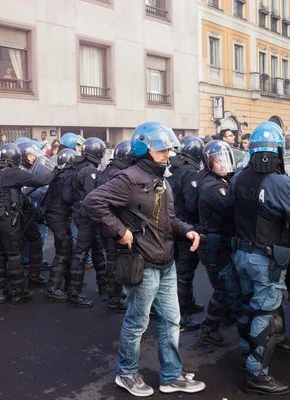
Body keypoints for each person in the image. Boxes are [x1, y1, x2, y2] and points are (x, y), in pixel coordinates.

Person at [82, 122, 205, 397]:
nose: (167, 153)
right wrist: (120, 231)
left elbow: (168, 219)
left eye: (168, 149)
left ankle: (171, 376)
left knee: (171, 321)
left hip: (166, 262)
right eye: (161, 149)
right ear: (143, 148)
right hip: (143, 262)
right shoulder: (129, 178)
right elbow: (93, 202)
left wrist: (187, 230)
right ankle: (126, 373)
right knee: (137, 322)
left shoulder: (161, 179)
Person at [227, 121, 290, 395]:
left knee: (249, 307)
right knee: (266, 315)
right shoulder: (280, 183)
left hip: (241, 254)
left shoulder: (238, 178)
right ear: (277, 150)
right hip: (265, 258)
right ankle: (257, 373)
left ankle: (246, 355)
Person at [0, 144, 52, 304]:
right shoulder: (13, 172)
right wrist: (55, 172)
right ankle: (18, 291)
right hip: (7, 219)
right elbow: (41, 180)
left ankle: (1, 292)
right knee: (14, 255)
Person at [197, 140, 235, 347]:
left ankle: (225, 315)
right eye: (218, 161)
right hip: (212, 244)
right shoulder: (213, 187)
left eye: (225, 159)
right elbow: (230, 208)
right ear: (209, 163)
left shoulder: (222, 182)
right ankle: (209, 328)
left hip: (220, 242)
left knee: (228, 283)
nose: (223, 164)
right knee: (221, 287)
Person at [166, 135, 204, 330]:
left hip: (172, 225)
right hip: (186, 227)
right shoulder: (190, 172)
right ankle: (180, 316)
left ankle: (188, 304)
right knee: (185, 272)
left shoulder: (172, 167)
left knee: (178, 270)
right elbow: (192, 205)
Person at [94, 140, 134, 313]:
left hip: (105, 223)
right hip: (116, 223)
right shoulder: (119, 175)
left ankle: (113, 294)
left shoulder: (107, 171)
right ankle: (115, 298)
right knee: (116, 260)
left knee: (111, 258)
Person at [67, 137, 107, 307]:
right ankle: (74, 292)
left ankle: (104, 285)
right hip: (87, 217)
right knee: (82, 253)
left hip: (83, 215)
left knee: (97, 250)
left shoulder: (79, 167)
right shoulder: (90, 171)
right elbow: (93, 197)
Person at [45, 148, 78, 303]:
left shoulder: (56, 173)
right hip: (60, 215)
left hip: (54, 215)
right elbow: (67, 197)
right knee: (63, 251)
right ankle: (53, 287)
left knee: (66, 248)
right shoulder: (69, 175)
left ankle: (67, 284)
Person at [17, 141, 49, 288]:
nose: (33, 158)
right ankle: (28, 262)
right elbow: (28, 191)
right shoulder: (20, 172)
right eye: (31, 155)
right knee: (33, 238)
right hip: (26, 211)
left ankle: (34, 260)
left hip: (34, 209)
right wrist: (44, 189)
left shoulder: (30, 170)